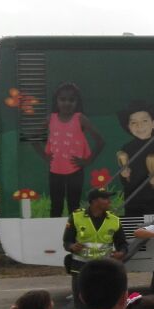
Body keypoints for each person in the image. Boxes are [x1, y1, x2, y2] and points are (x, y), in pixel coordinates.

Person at [41, 82, 105, 217]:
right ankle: (55, 236)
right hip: (55, 171)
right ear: (57, 100)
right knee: (56, 206)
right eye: (62, 99)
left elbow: (100, 141)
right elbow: (33, 138)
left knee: (74, 206)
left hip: (75, 171)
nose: (67, 103)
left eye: (71, 100)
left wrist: (88, 161)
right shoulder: (50, 119)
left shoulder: (80, 119)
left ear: (77, 102)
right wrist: (45, 156)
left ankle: (74, 236)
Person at [63, 188, 127, 309]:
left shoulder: (114, 220)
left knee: (108, 304)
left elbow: (123, 243)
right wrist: (72, 246)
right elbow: (66, 241)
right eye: (105, 198)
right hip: (81, 268)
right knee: (82, 308)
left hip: (106, 269)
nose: (109, 201)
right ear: (94, 201)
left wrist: (121, 253)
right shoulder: (76, 217)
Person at [115, 101, 154, 217]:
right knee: (133, 229)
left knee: (153, 229)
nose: (139, 126)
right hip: (132, 200)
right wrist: (125, 176)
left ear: (153, 123)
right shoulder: (127, 148)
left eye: (144, 121)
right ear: (128, 127)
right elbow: (125, 180)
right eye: (134, 122)